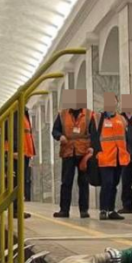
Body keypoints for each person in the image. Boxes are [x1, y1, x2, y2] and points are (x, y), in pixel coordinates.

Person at [52, 90, 93, 218]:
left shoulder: (89, 114)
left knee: (83, 182)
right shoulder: (62, 114)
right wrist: (60, 136)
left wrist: (92, 148)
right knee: (66, 182)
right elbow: (55, 130)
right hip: (68, 152)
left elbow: (94, 133)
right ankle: (64, 210)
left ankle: (84, 210)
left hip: (83, 153)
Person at [90, 92, 129, 220]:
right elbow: (93, 137)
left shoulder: (122, 119)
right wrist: (96, 153)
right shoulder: (97, 118)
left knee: (114, 184)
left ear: (117, 102)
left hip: (119, 157)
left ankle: (112, 210)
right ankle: (103, 210)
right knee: (107, 183)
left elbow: (126, 137)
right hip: (105, 157)